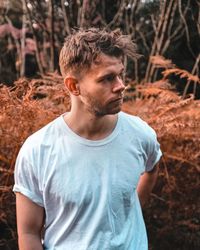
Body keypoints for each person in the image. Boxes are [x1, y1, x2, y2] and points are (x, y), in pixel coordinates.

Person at [13, 28, 162, 250]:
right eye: (107, 78)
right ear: (73, 86)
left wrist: (131, 209)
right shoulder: (37, 150)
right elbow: (28, 233)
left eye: (120, 74)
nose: (121, 85)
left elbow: (152, 168)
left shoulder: (140, 134)